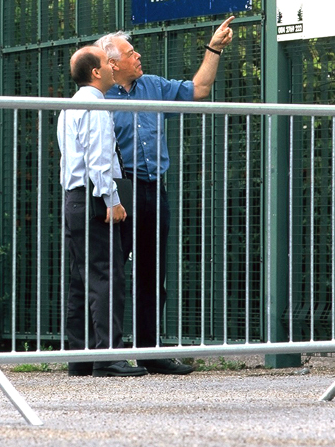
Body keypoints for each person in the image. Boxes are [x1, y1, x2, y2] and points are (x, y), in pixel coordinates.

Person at [95, 17, 234, 375]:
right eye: (130, 52)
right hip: (117, 190)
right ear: (111, 63)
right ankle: (105, 353)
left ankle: (151, 351)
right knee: (110, 272)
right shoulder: (97, 97)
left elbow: (199, 89)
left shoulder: (153, 85)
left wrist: (214, 46)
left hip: (154, 189)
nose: (138, 55)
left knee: (153, 273)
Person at [57, 45, 147, 378]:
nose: (113, 67)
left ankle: (80, 357)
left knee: (81, 278)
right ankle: (108, 355)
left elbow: (70, 160)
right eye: (107, 63)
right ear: (96, 72)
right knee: (107, 275)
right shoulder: (96, 107)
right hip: (95, 199)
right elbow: (99, 161)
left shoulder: (68, 107)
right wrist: (112, 201)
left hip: (74, 199)